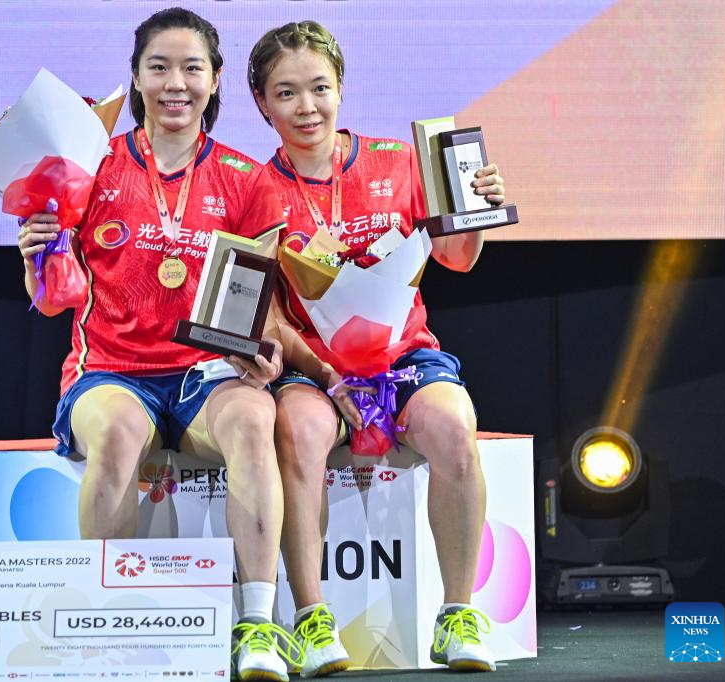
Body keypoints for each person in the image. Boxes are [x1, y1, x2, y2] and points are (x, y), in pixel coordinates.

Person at [17, 8, 297, 681]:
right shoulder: (90, 168)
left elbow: (262, 308)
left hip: (206, 374)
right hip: (112, 371)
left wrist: (262, 350)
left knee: (255, 418)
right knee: (116, 434)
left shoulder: (246, 178)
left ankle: (258, 626)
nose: (176, 83)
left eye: (192, 68)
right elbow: (54, 299)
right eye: (159, 67)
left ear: (215, 79)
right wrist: (34, 257)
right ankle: (105, 627)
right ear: (137, 78)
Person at [246, 21, 507, 675]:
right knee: (299, 431)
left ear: (340, 88)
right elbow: (267, 315)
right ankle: (311, 619)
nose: (306, 107)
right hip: (315, 366)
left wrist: (475, 211)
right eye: (286, 93)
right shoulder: (254, 190)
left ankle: (457, 613)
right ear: (261, 103)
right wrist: (326, 374)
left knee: (454, 426)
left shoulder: (398, 161)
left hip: (404, 355)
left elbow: (456, 258)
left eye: (319, 88)